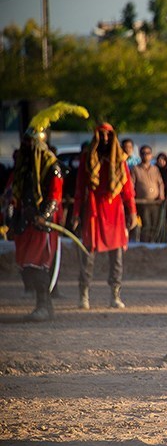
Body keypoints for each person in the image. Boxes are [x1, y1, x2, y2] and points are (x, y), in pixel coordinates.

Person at [71, 123, 137, 310]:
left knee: (116, 256)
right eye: (101, 135)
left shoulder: (121, 159)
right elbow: (79, 188)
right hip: (93, 211)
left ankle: (115, 294)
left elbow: (128, 190)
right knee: (87, 255)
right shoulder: (87, 158)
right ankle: (84, 294)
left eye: (108, 135)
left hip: (115, 212)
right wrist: (76, 213)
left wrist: (132, 211)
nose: (105, 139)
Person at [8, 127, 64, 321]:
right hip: (26, 222)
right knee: (27, 265)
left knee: (37, 264)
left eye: (31, 143)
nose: (27, 147)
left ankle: (43, 306)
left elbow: (55, 195)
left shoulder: (51, 166)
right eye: (26, 142)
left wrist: (45, 215)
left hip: (42, 223)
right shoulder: (23, 167)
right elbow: (14, 192)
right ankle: (45, 306)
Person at [130, 145, 164, 243]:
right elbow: (131, 184)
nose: (146, 155)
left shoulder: (155, 169)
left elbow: (160, 183)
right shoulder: (135, 169)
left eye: (148, 153)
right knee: (146, 224)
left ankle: (154, 244)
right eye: (143, 153)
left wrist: (161, 195)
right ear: (140, 155)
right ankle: (145, 243)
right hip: (142, 202)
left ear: (151, 155)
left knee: (155, 224)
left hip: (155, 202)